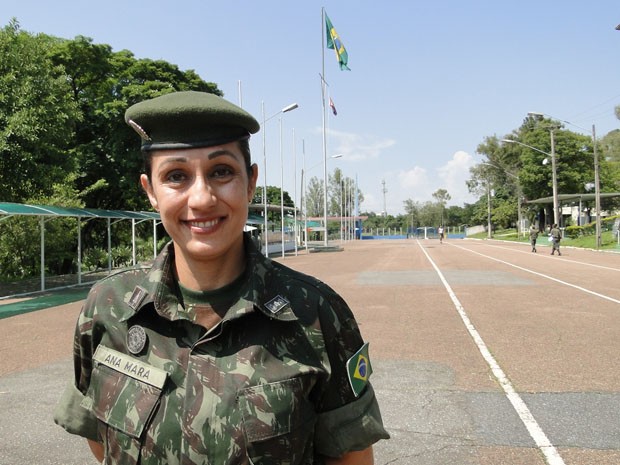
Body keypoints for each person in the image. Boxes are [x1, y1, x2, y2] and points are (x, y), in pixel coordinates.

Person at [53, 91, 389, 465]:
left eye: (221, 172)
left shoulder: (315, 314)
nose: (201, 198)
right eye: (176, 176)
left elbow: (350, 457)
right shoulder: (108, 306)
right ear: (151, 191)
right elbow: (101, 440)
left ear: (250, 182)